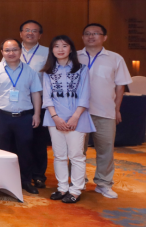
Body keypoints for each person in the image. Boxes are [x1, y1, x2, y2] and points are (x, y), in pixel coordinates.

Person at [78, 23, 132, 199]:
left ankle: (103, 183)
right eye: (87, 33)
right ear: (82, 37)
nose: (91, 36)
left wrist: (117, 109)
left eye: (95, 33)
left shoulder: (115, 58)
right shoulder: (74, 56)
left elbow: (120, 86)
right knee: (77, 150)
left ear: (104, 37)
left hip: (105, 111)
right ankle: (78, 181)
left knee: (105, 150)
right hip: (78, 113)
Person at [0, 40, 44, 194]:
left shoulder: (29, 71)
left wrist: (37, 114)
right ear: (2, 52)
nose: (11, 53)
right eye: (7, 50)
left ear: (20, 51)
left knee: (25, 150)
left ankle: (25, 181)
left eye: (14, 49)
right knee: (2, 150)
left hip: (24, 117)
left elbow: (36, 94)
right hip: (1, 116)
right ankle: (4, 182)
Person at [42, 35, 95, 204]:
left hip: (77, 118)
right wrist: (55, 118)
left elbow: (85, 95)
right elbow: (47, 97)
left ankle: (76, 190)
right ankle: (62, 187)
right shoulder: (48, 71)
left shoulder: (82, 69)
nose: (60, 49)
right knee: (59, 155)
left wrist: (75, 117)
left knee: (76, 156)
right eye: (56, 46)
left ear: (71, 49)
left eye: (64, 46)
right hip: (54, 119)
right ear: (52, 50)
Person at [20, 20, 51, 187]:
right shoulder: (13, 50)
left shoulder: (47, 52)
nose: (30, 33)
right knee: (21, 140)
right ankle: (20, 173)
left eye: (34, 31)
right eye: (26, 30)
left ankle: (39, 175)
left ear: (40, 35)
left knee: (38, 141)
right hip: (18, 102)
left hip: (40, 101)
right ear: (21, 34)